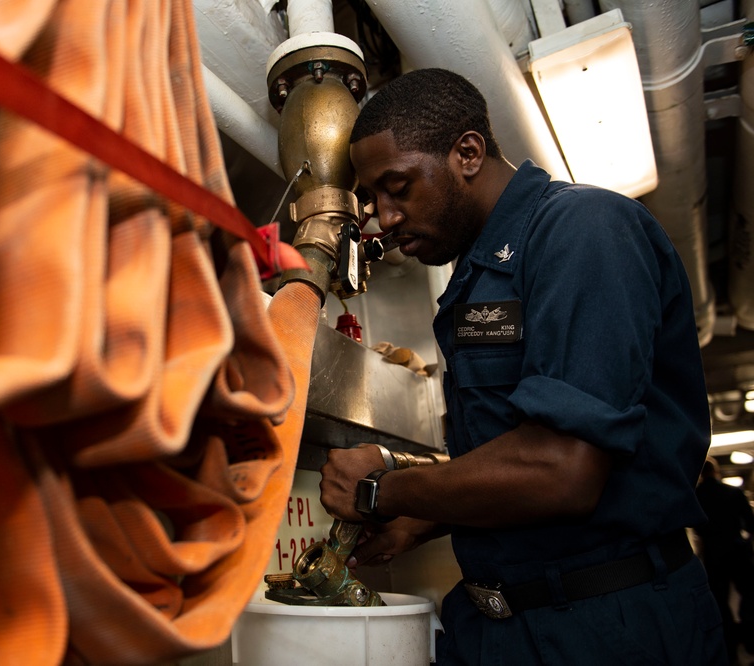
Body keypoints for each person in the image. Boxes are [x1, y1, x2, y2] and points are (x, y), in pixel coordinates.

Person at [318, 68, 727, 664]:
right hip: (500, 627)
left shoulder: (583, 231)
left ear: (467, 152)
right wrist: (423, 520)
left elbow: (562, 469)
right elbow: (510, 452)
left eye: (398, 187)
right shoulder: (478, 274)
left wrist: (383, 490)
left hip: (609, 627)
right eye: (374, 199)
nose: (384, 217)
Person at [695, 458, 754, 663]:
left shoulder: (696, 497)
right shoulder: (733, 493)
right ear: (717, 472)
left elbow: (697, 528)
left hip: (713, 555)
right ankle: (750, 635)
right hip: (737, 551)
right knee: (749, 593)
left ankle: (729, 649)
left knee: (719, 602)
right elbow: (750, 523)